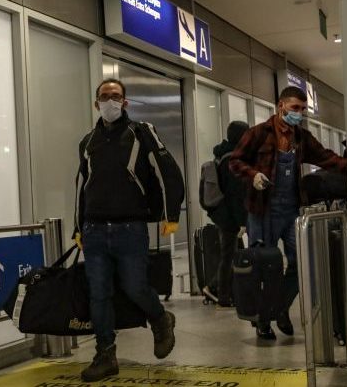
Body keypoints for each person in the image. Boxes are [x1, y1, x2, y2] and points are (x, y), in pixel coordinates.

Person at [73, 78, 185, 382]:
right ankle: (105, 355)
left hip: (130, 229)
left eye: (116, 96)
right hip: (94, 231)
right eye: (104, 96)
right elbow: (82, 186)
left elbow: (168, 171)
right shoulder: (88, 142)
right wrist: (78, 227)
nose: (110, 101)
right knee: (99, 294)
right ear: (96, 103)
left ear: (125, 102)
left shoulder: (142, 133)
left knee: (135, 287)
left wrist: (170, 214)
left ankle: (160, 319)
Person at [229, 86, 347, 339]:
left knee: (300, 263)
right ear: (281, 106)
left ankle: (279, 308)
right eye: (295, 108)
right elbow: (235, 161)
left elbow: (326, 158)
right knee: (265, 267)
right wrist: (253, 175)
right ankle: (262, 321)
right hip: (262, 211)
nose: (299, 114)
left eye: (303, 109)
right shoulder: (258, 134)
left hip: (292, 210)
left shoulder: (302, 137)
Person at [203, 121, 250, 307]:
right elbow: (235, 194)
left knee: (229, 253)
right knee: (228, 255)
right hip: (228, 215)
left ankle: (219, 289)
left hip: (222, 212)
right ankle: (222, 295)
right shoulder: (232, 159)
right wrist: (242, 221)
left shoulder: (223, 154)